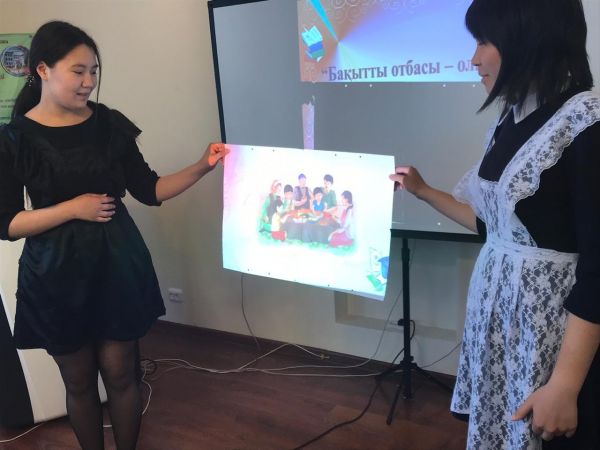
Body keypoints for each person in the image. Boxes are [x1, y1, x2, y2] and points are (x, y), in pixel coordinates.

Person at [0, 21, 228, 450]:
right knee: (79, 382)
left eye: (94, 71)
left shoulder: (109, 124)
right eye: (78, 71)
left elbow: (150, 189)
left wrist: (203, 165)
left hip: (116, 267)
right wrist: (72, 208)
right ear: (42, 70)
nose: (89, 82)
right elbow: (7, 224)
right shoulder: (14, 139)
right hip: (56, 277)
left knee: (123, 375)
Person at [390, 1, 600, 449]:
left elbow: (599, 269)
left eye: (484, 41)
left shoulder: (585, 123)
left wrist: (564, 384)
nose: (474, 58)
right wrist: (424, 191)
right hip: (504, 330)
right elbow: (498, 228)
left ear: (530, 37)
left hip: (552, 342)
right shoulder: (511, 119)